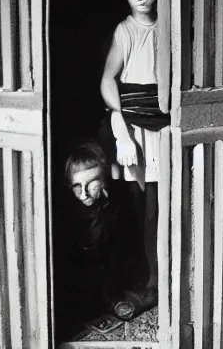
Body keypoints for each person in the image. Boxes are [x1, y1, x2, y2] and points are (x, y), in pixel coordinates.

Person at [99, 0, 170, 316]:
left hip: (164, 132)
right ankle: (147, 283)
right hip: (136, 134)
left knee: (159, 213)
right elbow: (108, 81)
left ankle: (158, 284)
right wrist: (123, 132)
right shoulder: (125, 31)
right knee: (142, 212)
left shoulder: (169, 27)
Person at [58, 138, 147, 333]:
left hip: (111, 287)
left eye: (91, 184)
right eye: (76, 186)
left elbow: (127, 256)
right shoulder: (62, 216)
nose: (84, 194)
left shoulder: (120, 206)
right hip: (77, 292)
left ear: (105, 179)